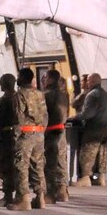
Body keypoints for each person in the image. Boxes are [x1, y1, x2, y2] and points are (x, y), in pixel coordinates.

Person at [17, 69, 49, 209]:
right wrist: (42, 130)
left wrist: (16, 135)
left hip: (26, 134)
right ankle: (40, 197)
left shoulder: (21, 94)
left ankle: (24, 199)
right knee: (38, 165)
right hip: (39, 134)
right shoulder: (40, 94)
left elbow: (18, 116)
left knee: (22, 166)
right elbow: (45, 115)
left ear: (23, 78)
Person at [75, 72, 107, 187]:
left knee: (87, 153)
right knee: (102, 154)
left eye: (88, 80)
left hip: (94, 129)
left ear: (91, 81)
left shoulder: (92, 95)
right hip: (105, 129)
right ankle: (100, 178)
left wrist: (76, 117)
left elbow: (88, 114)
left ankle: (86, 178)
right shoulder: (106, 95)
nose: (86, 82)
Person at [0, 72, 22, 208]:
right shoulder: (19, 97)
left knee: (5, 165)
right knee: (16, 165)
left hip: (6, 136)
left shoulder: (5, 100)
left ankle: (8, 196)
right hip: (18, 135)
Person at [40, 67, 71, 204]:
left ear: (51, 79)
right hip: (61, 131)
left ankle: (50, 194)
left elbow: (42, 115)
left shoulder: (47, 95)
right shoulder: (63, 95)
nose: (44, 80)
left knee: (49, 164)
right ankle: (62, 191)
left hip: (51, 132)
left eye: (45, 77)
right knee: (61, 163)